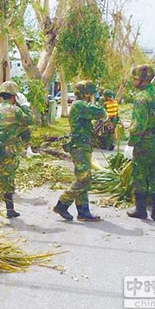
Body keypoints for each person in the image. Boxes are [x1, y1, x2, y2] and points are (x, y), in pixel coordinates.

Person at [0, 81, 34, 223]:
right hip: (9, 152)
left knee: (8, 178)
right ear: (14, 96)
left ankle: (10, 210)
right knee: (2, 182)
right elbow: (30, 120)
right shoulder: (16, 110)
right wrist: (25, 106)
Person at [53, 80, 107, 222]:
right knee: (84, 179)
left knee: (83, 178)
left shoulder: (80, 105)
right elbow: (100, 112)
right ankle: (62, 203)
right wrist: (100, 103)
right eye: (92, 93)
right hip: (80, 147)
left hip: (82, 146)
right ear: (87, 93)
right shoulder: (80, 105)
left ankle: (83, 211)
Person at [125, 64, 155, 222]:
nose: (133, 81)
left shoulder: (141, 98)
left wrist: (131, 143)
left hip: (145, 143)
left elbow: (139, 126)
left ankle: (141, 210)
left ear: (142, 79)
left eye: (134, 78)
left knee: (140, 175)